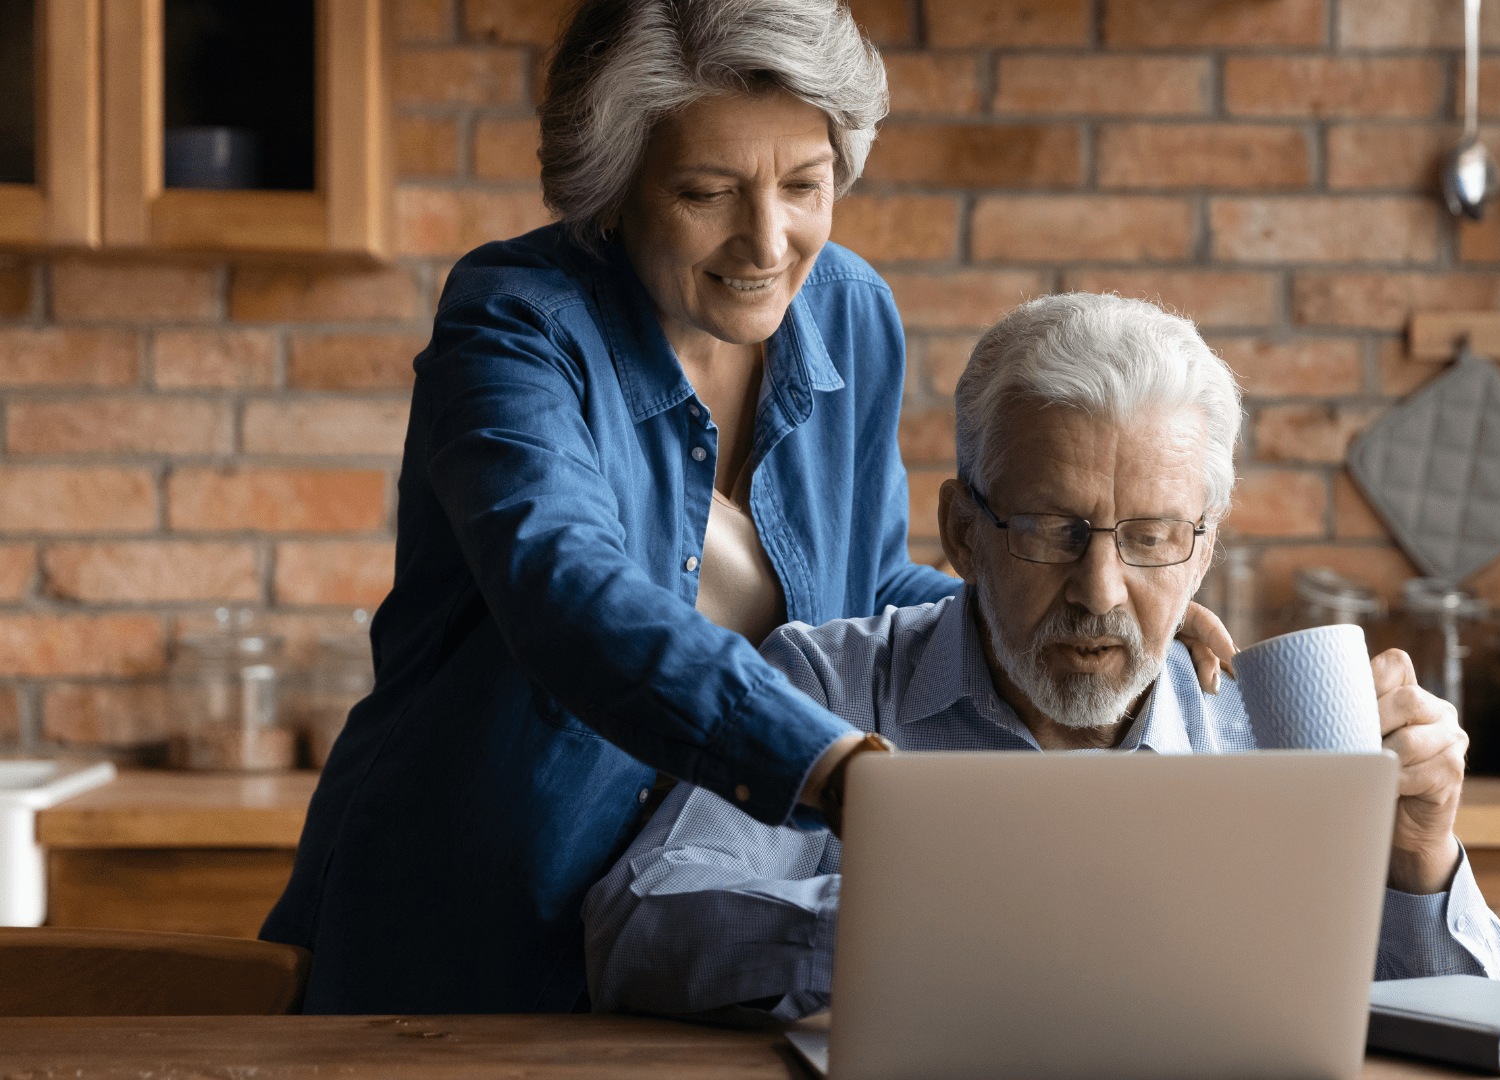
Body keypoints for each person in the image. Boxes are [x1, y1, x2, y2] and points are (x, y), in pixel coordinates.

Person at [260, 1, 1227, 1014]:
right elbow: (566, 594)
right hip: (468, 932)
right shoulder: (516, 327)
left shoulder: (851, 316)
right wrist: (831, 764)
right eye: (706, 191)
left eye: (806, 186)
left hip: (688, 951)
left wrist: (1070, 590)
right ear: (615, 188)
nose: (768, 242)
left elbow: (865, 581)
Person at [582, 294, 1500, 1022]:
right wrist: (931, 933)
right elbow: (639, 925)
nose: (1101, 591)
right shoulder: (830, 683)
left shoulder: (1275, 726)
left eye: (1154, 537)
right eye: (1052, 530)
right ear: (964, 530)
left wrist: (1420, 860)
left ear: (1204, 548)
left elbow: (1489, 1025)